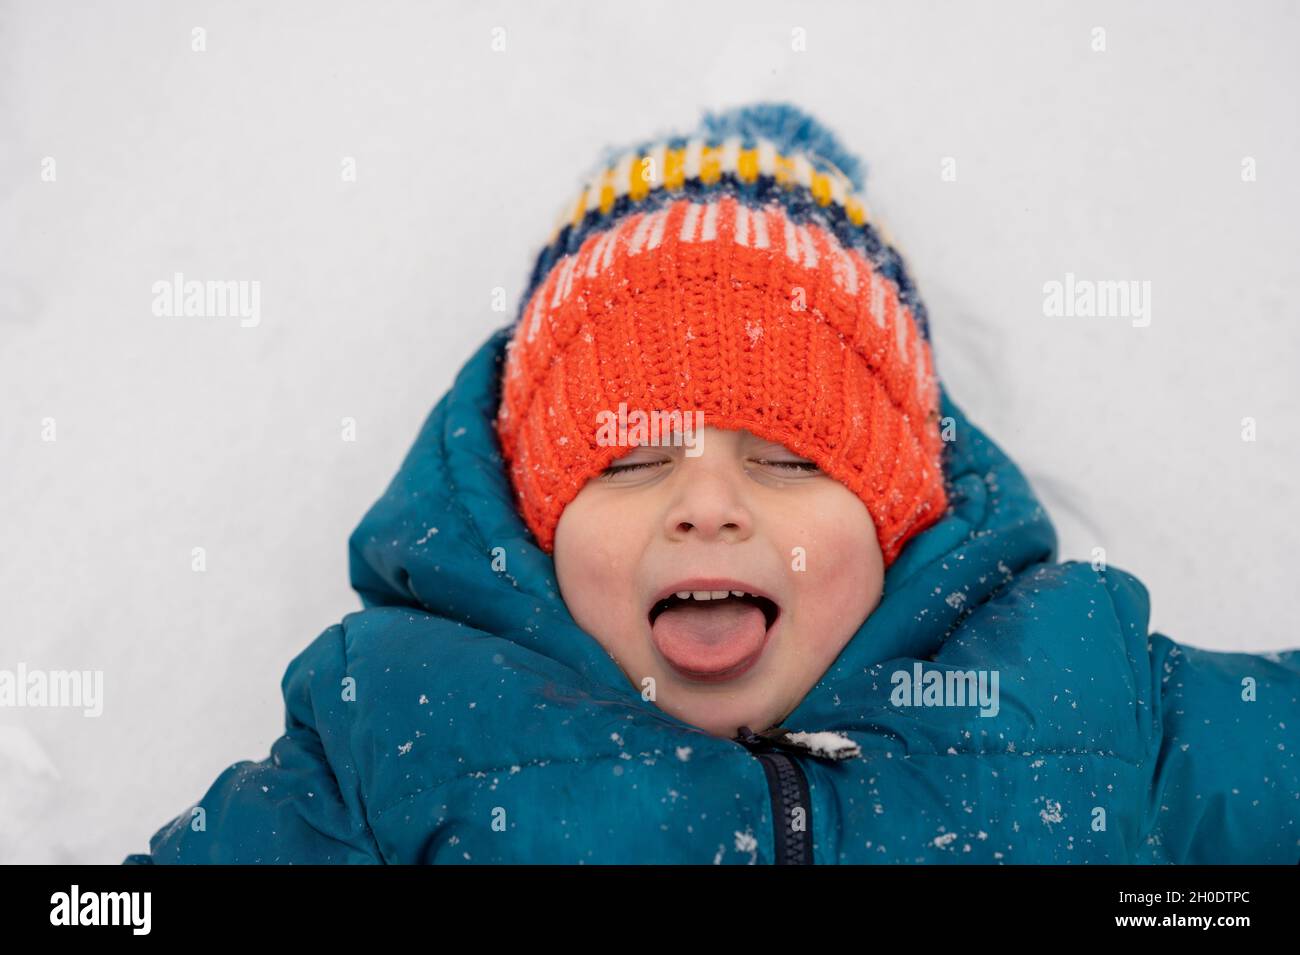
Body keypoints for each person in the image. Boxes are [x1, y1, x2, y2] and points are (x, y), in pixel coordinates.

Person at [124, 102, 1300, 864]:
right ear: (540, 525)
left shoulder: (1083, 696)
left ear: (893, 517)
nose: (708, 504)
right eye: (631, 460)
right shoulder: (399, 731)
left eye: (788, 459)